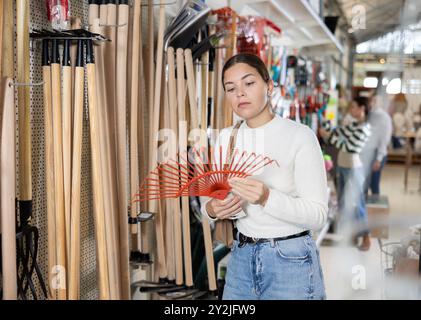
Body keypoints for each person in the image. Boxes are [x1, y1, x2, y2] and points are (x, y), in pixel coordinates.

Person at [200, 53, 328, 300]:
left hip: (290, 259)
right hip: (241, 258)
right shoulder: (226, 138)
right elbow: (208, 206)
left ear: (269, 87)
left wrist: (267, 197)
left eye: (249, 83)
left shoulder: (300, 136)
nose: (240, 94)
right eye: (231, 88)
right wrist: (216, 209)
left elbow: (318, 216)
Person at [319, 97, 372, 251]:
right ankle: (353, 234)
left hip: (353, 169)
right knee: (345, 203)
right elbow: (339, 132)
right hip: (343, 167)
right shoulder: (354, 125)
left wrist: (328, 137)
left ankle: (367, 238)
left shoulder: (364, 128)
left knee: (358, 204)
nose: (351, 110)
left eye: (354, 107)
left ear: (362, 109)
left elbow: (349, 147)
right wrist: (328, 129)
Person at [360, 95, 393, 196]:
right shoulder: (371, 115)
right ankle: (365, 208)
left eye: (374, 101)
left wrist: (378, 159)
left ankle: (375, 208)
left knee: (373, 185)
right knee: (364, 184)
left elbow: (383, 139)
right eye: (371, 100)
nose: (371, 103)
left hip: (377, 154)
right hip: (369, 153)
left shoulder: (381, 117)